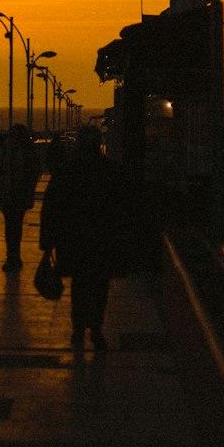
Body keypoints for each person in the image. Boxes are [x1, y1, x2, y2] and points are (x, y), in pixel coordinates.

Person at [39, 125, 129, 351]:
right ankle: (96, 329)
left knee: (79, 286)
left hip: (74, 239)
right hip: (101, 238)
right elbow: (122, 207)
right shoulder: (112, 171)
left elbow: (51, 207)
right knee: (100, 285)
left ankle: (78, 328)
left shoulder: (67, 171)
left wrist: (48, 241)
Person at [0, 123, 41, 271]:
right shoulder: (25, 150)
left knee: (12, 227)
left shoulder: (10, 150)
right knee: (13, 226)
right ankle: (13, 255)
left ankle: (13, 256)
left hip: (15, 193)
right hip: (13, 193)